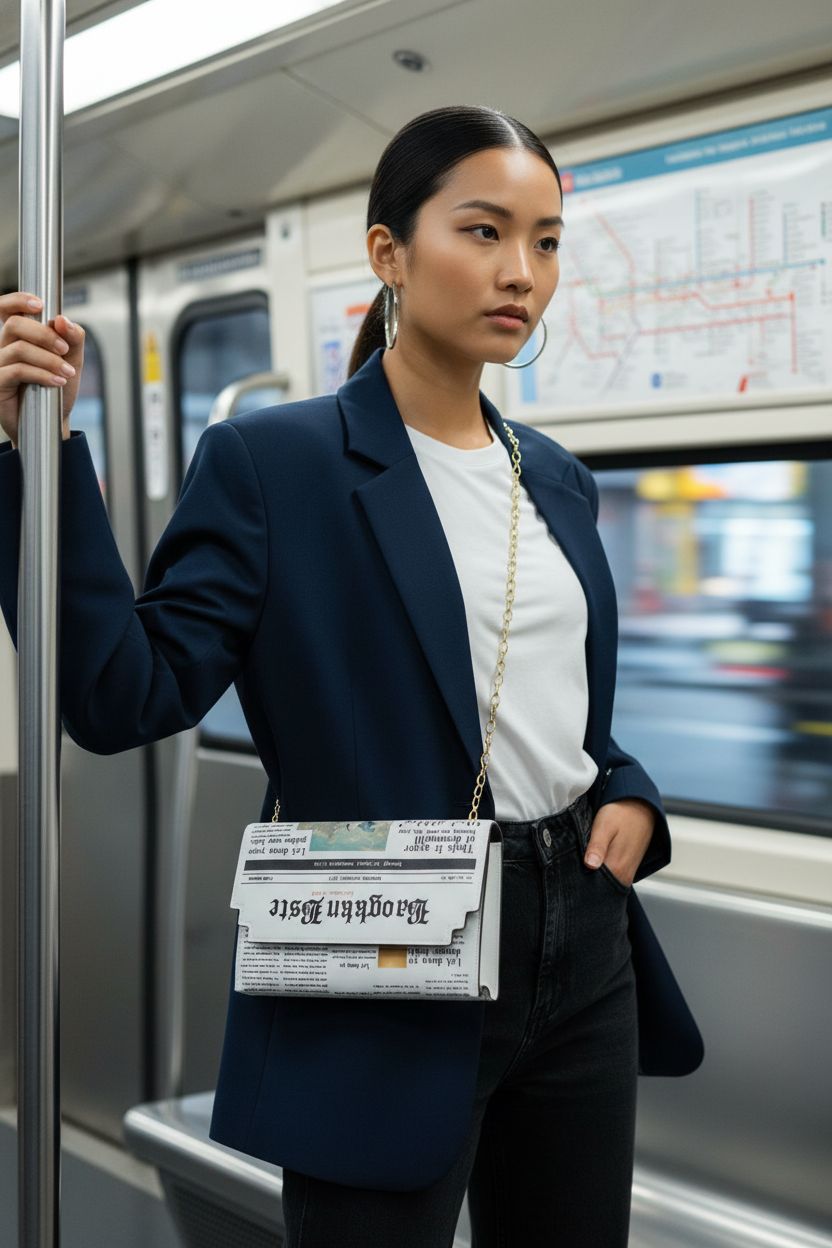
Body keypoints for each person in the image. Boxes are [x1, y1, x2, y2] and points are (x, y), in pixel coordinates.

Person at [0, 105, 702, 1247]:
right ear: (388, 253)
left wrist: (625, 787)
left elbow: (559, 711)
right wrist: (37, 463)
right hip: (387, 951)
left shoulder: (558, 480)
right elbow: (124, 694)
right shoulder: (276, 463)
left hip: (581, 944)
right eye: (481, 231)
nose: (519, 272)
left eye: (546, 240)